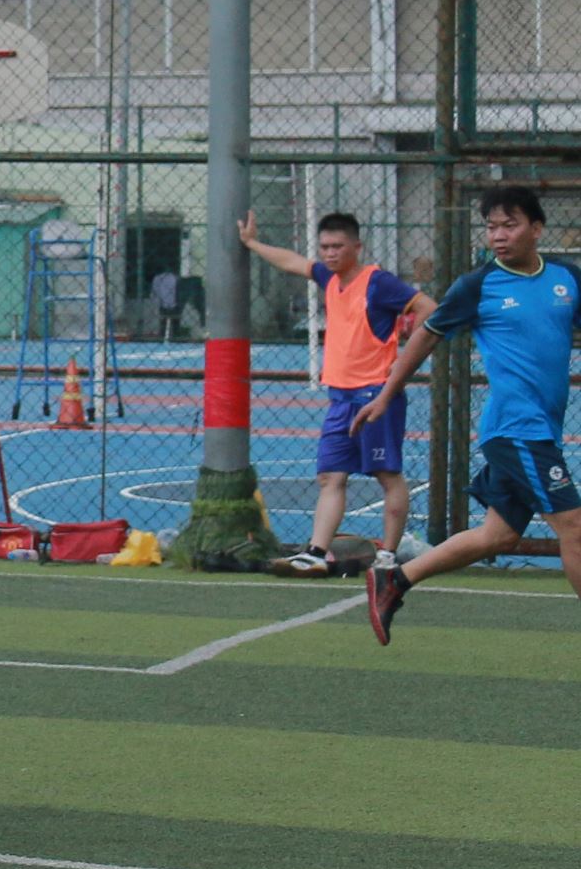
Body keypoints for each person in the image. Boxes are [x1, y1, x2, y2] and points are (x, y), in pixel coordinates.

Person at [357, 185, 581, 642]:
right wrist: (386, 394)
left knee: (497, 537)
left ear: (537, 229)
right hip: (516, 430)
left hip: (542, 430)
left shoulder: (567, 278)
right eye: (491, 227)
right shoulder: (477, 286)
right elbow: (426, 334)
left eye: (509, 225)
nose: (498, 235)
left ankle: (396, 579)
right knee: (574, 526)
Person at [237, 209, 431, 571]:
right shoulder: (329, 278)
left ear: (356, 247)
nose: (330, 253)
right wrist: (252, 243)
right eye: (325, 246)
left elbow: (428, 309)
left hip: (376, 395)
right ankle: (316, 553)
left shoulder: (378, 283)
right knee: (330, 476)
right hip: (340, 397)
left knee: (387, 475)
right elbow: (292, 262)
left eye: (337, 246)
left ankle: (387, 555)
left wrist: (404, 356)